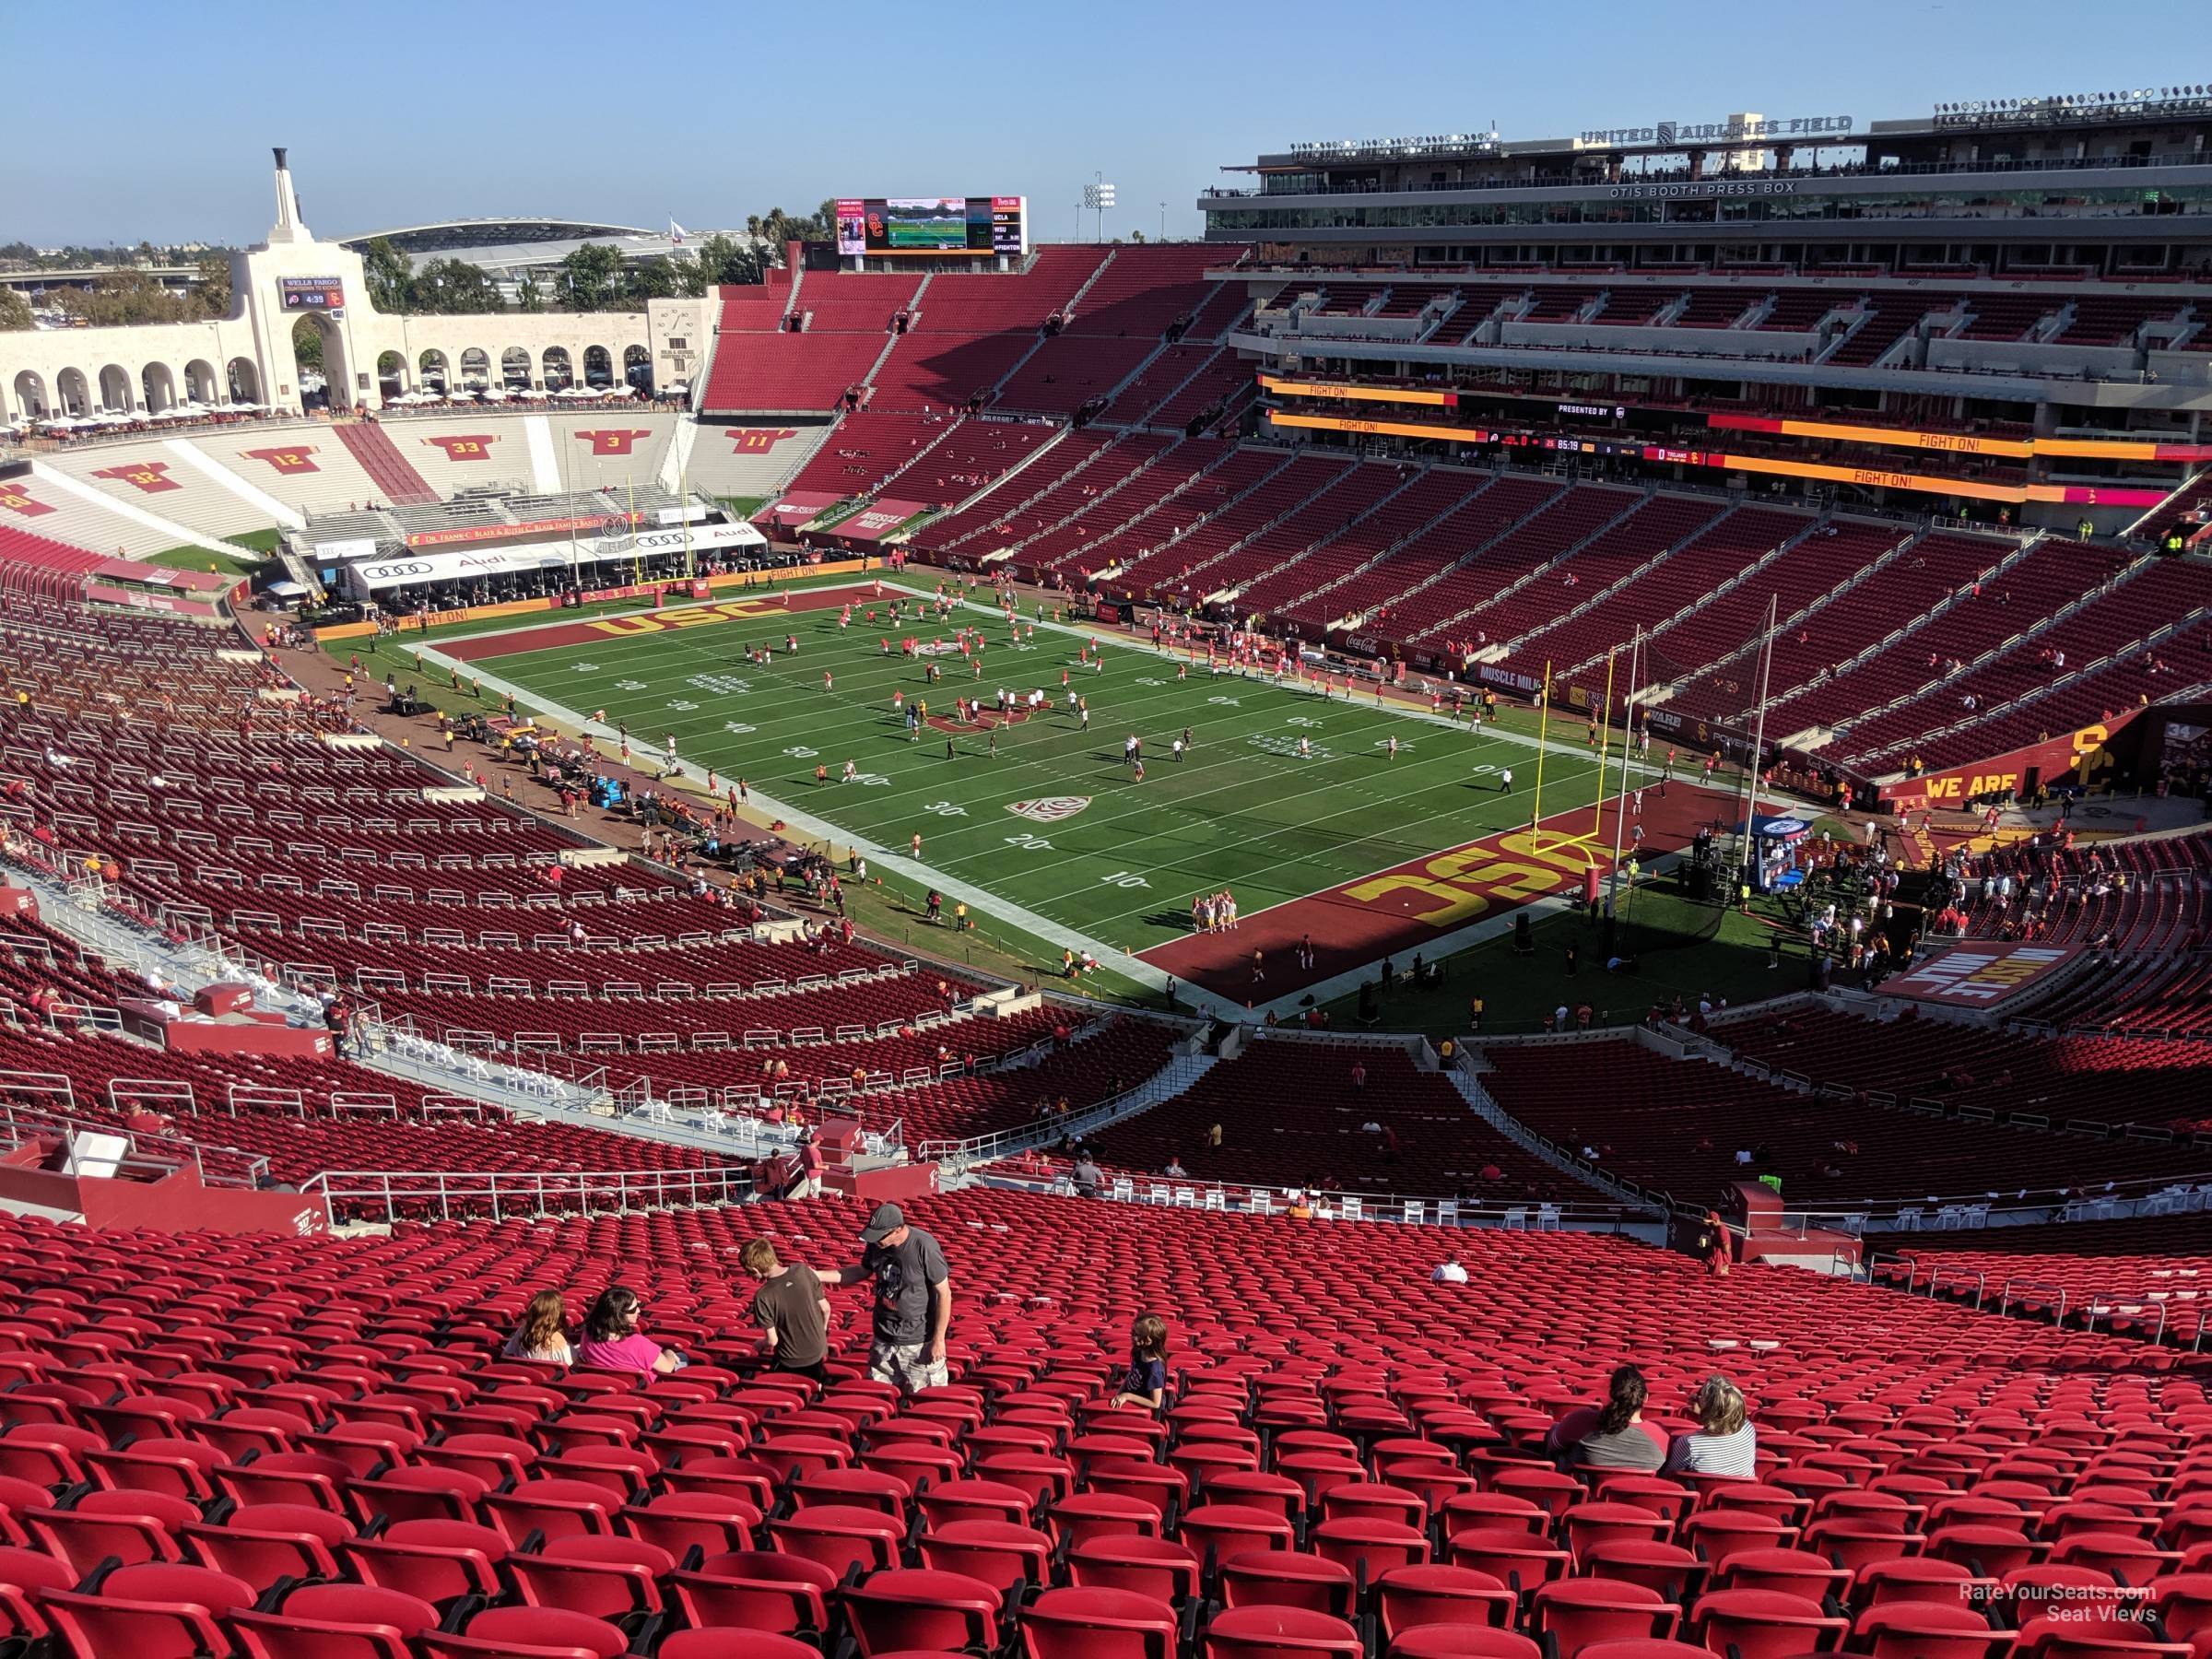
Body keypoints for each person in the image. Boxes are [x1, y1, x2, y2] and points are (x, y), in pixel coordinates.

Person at [820, 1203, 952, 1394]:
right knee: (879, 1398)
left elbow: (945, 1294)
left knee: (923, 1402)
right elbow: (861, 1271)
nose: (875, 1241)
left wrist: (938, 1340)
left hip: (917, 1342)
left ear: (898, 1229)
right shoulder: (875, 1245)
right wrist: (816, 1275)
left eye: (879, 1237)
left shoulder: (924, 1246)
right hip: (883, 1338)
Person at [741, 1239, 832, 1384]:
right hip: (818, 1350)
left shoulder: (763, 1296)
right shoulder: (803, 1270)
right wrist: (822, 1329)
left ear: (755, 1270)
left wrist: (759, 1344)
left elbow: (772, 1340)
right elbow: (826, 1309)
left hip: (791, 1359)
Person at [1552, 1364, 1666, 1472]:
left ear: (1611, 1394)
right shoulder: (1660, 1437)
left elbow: (1554, 1446)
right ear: (1646, 1398)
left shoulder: (1581, 1420)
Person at [574, 1287, 682, 1375]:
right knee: (682, 1357)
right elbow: (667, 1368)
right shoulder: (637, 1343)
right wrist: (669, 1353)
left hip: (607, 1386)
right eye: (634, 1309)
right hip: (642, 1392)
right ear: (619, 1314)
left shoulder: (588, 1335)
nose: (639, 1310)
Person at [1665, 1374, 1757, 1477]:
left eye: (1700, 1395)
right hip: (1743, 1491)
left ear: (1708, 1409)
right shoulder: (1748, 1429)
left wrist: (1704, 1416)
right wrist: (1704, 1414)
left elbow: (1669, 1475)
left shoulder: (1690, 1444)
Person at [1108, 1312, 1170, 1411]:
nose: (1131, 1336)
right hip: (1131, 1397)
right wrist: (1119, 1393)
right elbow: (1132, 1374)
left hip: (1144, 1407)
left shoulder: (1154, 1369)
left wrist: (1128, 1396)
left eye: (1135, 1334)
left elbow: (1155, 1403)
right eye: (1132, 1332)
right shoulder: (1138, 1351)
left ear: (1149, 1341)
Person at [502, 1289, 573, 1366]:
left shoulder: (523, 1330)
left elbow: (505, 1354)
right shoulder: (556, 1339)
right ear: (558, 1314)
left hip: (525, 1373)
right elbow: (570, 1364)